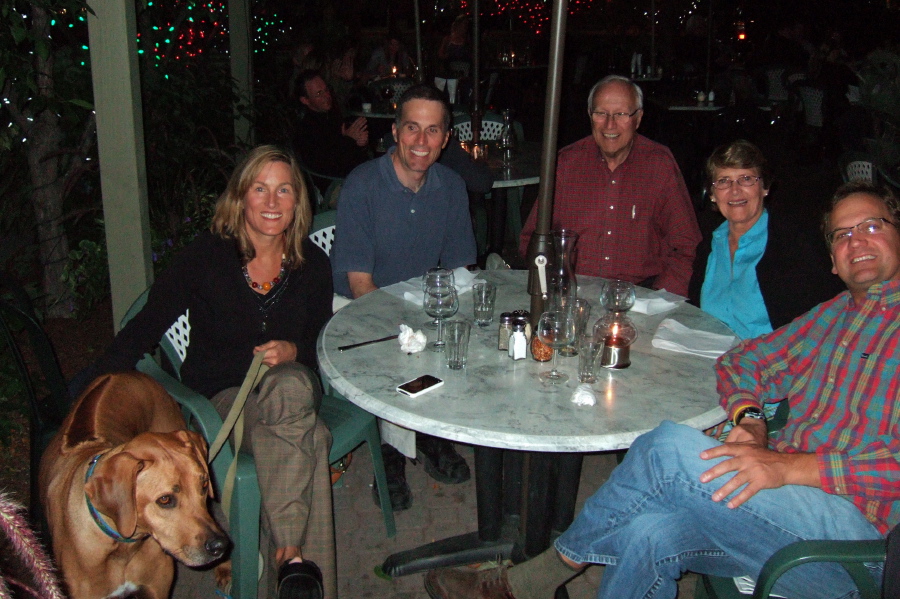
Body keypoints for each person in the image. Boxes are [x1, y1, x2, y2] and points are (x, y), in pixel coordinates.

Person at [425, 180, 899, 598]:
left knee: (669, 448)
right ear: (833, 261)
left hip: (858, 545)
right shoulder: (834, 315)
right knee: (648, 534)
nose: (856, 241)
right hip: (780, 510)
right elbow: (742, 361)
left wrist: (791, 467)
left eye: (872, 227)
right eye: (842, 234)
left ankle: (535, 578)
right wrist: (750, 422)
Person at [81, 146, 335, 599]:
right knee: (311, 437)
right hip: (223, 406)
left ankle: (287, 556)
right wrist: (87, 387)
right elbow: (146, 325)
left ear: (299, 202)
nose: (272, 202)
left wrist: (296, 349)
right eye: (260, 189)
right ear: (240, 197)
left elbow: (321, 347)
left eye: (284, 190)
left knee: (293, 384)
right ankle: (297, 567)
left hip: (288, 394)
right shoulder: (205, 258)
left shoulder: (313, 266)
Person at [330, 84, 477, 511]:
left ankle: (429, 436)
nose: (421, 141)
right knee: (404, 347)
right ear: (395, 131)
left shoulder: (450, 185)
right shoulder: (363, 184)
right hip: (360, 307)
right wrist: (413, 326)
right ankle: (392, 455)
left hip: (422, 300)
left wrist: (444, 317)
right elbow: (359, 284)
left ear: (446, 138)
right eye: (412, 127)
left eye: (432, 131)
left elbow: (460, 270)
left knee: (463, 332)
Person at [518, 75, 701, 297]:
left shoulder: (659, 165)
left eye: (621, 114)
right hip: (573, 294)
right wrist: (554, 287)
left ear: (638, 118)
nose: (610, 124)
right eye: (601, 113)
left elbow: (686, 246)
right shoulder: (566, 164)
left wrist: (658, 299)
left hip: (641, 296)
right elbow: (532, 240)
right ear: (589, 115)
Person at [688, 140, 844, 338]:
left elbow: (818, 322)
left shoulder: (796, 244)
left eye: (746, 179)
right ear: (711, 194)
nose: (734, 190)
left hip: (772, 361)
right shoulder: (708, 247)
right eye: (723, 181)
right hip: (709, 356)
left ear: (765, 187)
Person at [292, 70, 368, 203]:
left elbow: (347, 151)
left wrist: (360, 143)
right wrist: (349, 139)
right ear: (305, 100)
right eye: (319, 94)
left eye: (326, 90)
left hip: (355, 175)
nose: (326, 96)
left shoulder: (331, 115)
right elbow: (328, 165)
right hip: (333, 185)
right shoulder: (307, 128)